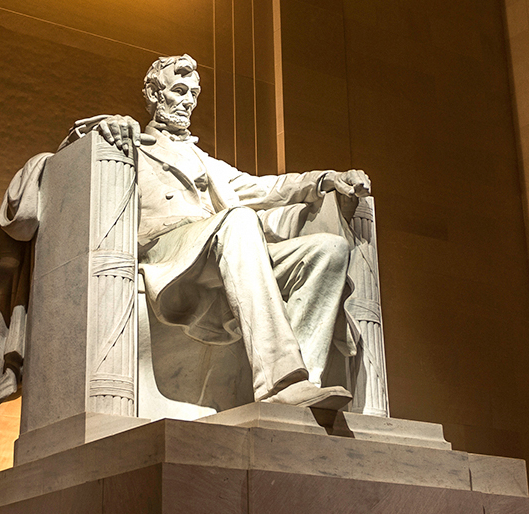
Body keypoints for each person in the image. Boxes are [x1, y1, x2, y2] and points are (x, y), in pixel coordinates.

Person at [70, 54, 371, 410]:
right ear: (152, 94)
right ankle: (279, 381)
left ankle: (302, 384)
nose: (187, 102)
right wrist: (102, 126)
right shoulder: (131, 142)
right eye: (178, 91)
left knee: (329, 250)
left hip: (223, 246)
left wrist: (324, 180)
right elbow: (69, 158)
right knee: (240, 220)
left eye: (193, 95)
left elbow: (268, 188)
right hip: (170, 255)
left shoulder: (204, 161)